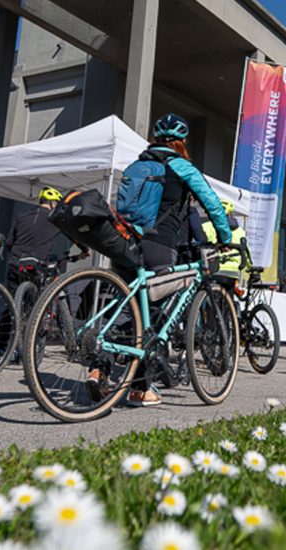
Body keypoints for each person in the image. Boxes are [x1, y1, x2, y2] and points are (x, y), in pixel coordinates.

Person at [96, 113, 231, 407]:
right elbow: (211, 202)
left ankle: (99, 370)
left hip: (126, 241)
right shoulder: (181, 166)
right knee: (153, 316)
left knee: (123, 309)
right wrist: (225, 235)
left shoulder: (137, 164)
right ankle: (140, 389)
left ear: (154, 139)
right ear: (183, 141)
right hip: (159, 244)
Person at [0, 186, 74, 357]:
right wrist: (84, 250)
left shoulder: (21, 216)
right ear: (53, 203)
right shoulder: (55, 218)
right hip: (37, 265)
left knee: (11, 304)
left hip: (16, 264)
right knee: (37, 307)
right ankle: (31, 346)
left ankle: (1, 347)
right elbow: (74, 235)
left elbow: (9, 242)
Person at [201, 199, 247, 283]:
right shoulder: (240, 231)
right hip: (233, 270)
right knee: (229, 290)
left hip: (212, 266)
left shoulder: (206, 226)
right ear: (231, 213)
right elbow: (246, 251)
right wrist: (249, 267)